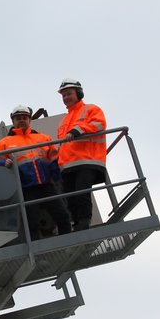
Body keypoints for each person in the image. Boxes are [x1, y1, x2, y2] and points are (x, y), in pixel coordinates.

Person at [0, 105, 71, 239]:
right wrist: (3, 162)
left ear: (29, 119)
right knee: (31, 223)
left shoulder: (43, 138)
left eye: (24, 118)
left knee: (62, 215)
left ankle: (70, 244)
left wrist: (58, 179)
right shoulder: (4, 142)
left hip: (47, 185)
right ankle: (38, 255)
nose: (22, 120)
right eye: (18, 118)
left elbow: (54, 158)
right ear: (13, 121)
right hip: (26, 188)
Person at [56, 78, 108, 231]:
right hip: (68, 165)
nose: (66, 98)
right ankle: (77, 224)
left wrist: (77, 130)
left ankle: (84, 222)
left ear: (79, 93)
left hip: (88, 160)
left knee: (81, 193)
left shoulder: (91, 109)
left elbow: (99, 124)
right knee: (70, 198)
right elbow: (63, 145)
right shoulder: (64, 121)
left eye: (69, 94)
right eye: (63, 95)